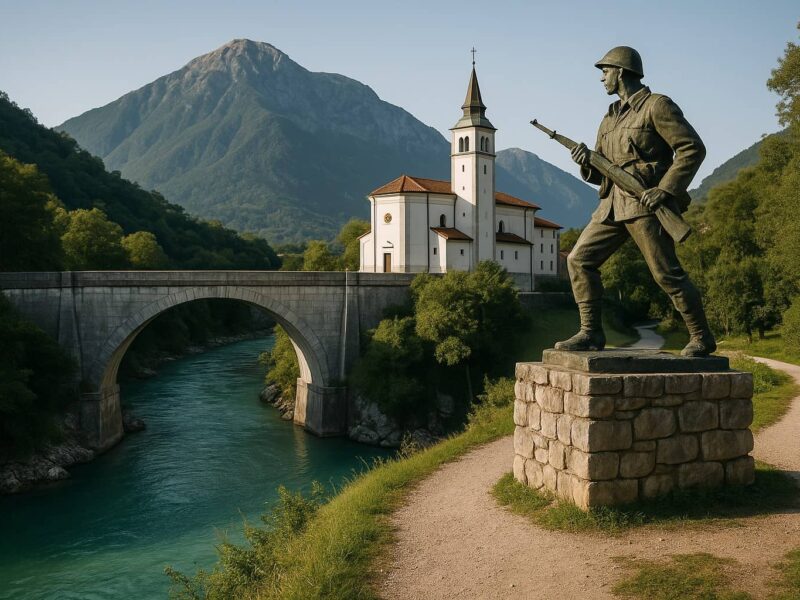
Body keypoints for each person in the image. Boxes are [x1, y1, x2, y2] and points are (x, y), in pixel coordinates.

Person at [557, 46, 716, 357]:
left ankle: (701, 337)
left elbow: (692, 149)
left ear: (621, 72)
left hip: (645, 205)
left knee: (665, 273)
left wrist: (667, 189)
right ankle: (591, 333)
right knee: (578, 260)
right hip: (611, 206)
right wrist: (586, 162)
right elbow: (603, 172)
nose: (601, 78)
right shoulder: (609, 119)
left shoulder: (657, 106)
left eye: (605, 71)